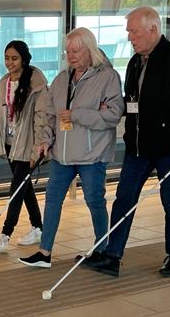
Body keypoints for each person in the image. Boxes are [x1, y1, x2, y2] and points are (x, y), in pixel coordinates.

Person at [84, 6, 170, 278]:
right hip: (138, 149)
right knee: (123, 200)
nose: (129, 36)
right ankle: (112, 255)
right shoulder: (135, 62)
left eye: (134, 31)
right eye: (129, 31)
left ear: (152, 29)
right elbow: (132, 102)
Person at [19, 28, 124, 269]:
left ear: (90, 50)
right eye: (68, 51)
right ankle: (44, 252)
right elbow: (49, 116)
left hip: (92, 154)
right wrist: (45, 140)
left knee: (94, 200)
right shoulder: (61, 79)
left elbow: (113, 115)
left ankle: (102, 249)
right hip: (61, 154)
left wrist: (77, 115)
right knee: (52, 199)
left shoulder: (107, 77)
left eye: (76, 50)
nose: (71, 56)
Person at [0, 39, 49, 252]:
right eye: (7, 58)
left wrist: (39, 146)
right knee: (24, 187)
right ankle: (38, 227)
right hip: (9, 143)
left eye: (14, 58)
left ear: (24, 59)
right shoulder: (3, 84)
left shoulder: (36, 84)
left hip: (28, 146)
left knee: (17, 188)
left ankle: (5, 234)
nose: (10, 63)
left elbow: (42, 117)